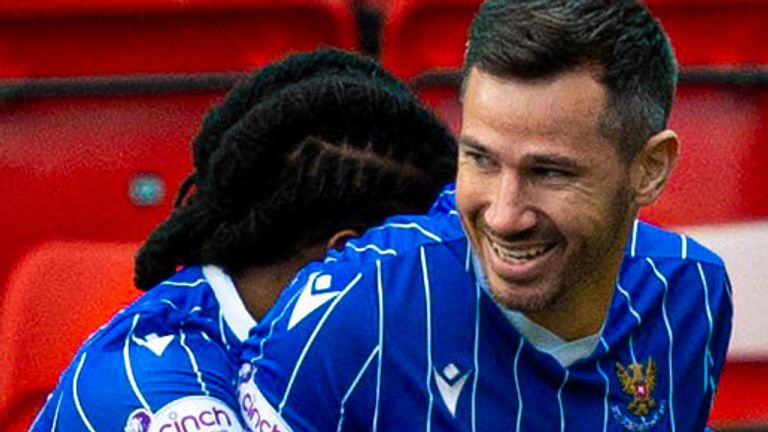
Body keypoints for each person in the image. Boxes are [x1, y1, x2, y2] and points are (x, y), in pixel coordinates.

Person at [237, 1, 732, 431]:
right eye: (481, 159)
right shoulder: (363, 306)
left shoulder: (690, 296)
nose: (504, 215)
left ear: (649, 169)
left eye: (550, 172)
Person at [30, 49, 457, 432]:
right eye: (419, 253)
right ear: (344, 257)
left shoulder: (331, 348)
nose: (437, 272)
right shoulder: (169, 397)